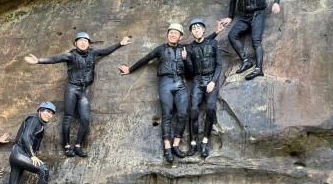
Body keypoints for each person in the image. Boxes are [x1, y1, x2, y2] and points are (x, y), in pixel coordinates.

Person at [24, 32, 131, 158]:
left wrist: (120, 44)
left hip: (84, 90)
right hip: (72, 89)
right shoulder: (71, 55)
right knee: (68, 117)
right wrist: (39, 61)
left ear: (89, 43)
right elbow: (55, 59)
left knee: (85, 119)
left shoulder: (93, 53)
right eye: (80, 40)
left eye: (85, 40)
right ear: (75, 43)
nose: (83, 42)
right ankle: (67, 145)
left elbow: (106, 51)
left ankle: (78, 145)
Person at [119, 23, 189, 163]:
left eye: (176, 33)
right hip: (165, 83)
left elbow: (200, 48)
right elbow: (146, 59)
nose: (172, 34)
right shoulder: (160, 49)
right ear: (167, 34)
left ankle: (176, 145)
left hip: (181, 83)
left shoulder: (185, 50)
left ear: (181, 36)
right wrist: (130, 69)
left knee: (182, 114)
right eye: (170, 32)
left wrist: (186, 59)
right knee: (167, 114)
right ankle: (167, 148)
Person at [219, 0, 282, 81]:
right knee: (232, 35)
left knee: (256, 41)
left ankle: (259, 69)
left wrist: (276, 2)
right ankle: (246, 61)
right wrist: (230, 17)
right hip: (244, 17)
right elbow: (232, 0)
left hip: (258, 14)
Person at [185, 18, 223, 158]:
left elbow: (219, 65)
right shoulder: (189, 48)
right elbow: (190, 70)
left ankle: (205, 142)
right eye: (194, 29)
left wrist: (213, 81)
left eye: (199, 28)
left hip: (211, 80)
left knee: (211, 108)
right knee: (193, 110)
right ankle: (193, 143)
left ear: (204, 30)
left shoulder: (213, 43)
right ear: (191, 32)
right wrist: (186, 59)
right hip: (197, 80)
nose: (196, 30)